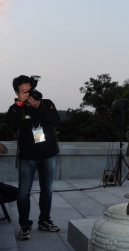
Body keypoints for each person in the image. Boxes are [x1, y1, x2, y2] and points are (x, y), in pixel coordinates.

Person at [7, 75, 60, 240]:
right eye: (24, 92)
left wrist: (38, 106)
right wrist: (19, 103)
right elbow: (13, 125)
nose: (28, 94)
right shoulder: (15, 108)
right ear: (17, 92)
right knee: (23, 192)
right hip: (27, 157)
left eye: (29, 90)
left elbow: (55, 120)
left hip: (48, 155)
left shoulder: (46, 103)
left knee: (47, 190)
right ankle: (24, 225)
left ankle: (44, 221)